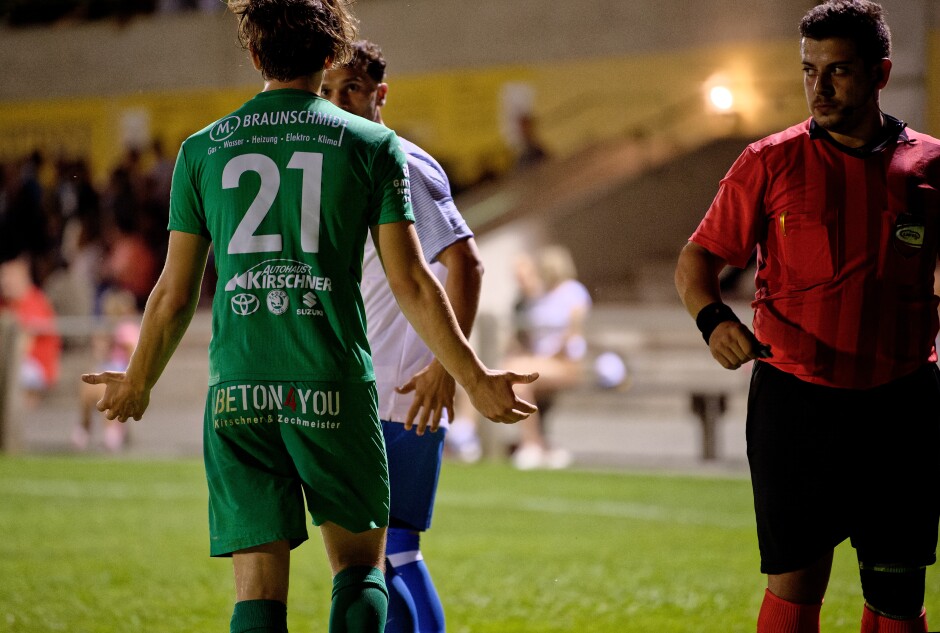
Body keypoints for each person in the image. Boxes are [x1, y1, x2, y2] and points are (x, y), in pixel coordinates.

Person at [80, 2, 538, 633]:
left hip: (238, 390)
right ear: (328, 58)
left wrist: (137, 381)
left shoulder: (201, 150)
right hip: (333, 386)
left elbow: (173, 293)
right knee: (361, 571)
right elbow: (412, 282)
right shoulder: (374, 145)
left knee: (257, 591)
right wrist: (475, 375)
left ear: (254, 55)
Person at [674, 2, 940, 632]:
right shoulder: (769, 161)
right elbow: (699, 257)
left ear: (881, 73)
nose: (819, 87)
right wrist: (714, 319)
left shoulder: (929, 167)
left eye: (838, 70)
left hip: (902, 401)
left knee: (897, 598)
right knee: (795, 591)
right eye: (809, 70)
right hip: (799, 402)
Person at [321, 40, 484, 633]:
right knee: (396, 553)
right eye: (328, 91)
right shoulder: (353, 160)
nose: (338, 103)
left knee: (377, 559)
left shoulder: (401, 163)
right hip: (378, 385)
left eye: (352, 90)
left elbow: (467, 264)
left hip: (396, 388)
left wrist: (449, 367)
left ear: (380, 94)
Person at [504, 245, 591, 470]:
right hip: (543, 362)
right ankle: (539, 445)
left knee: (518, 375)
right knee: (517, 379)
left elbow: (572, 333)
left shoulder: (573, 291)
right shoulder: (542, 297)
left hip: (565, 362)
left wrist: (541, 358)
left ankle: (532, 444)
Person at [73, 288, 140, 452]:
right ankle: (84, 427)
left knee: (105, 390)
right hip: (109, 367)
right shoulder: (110, 328)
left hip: (122, 371)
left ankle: (112, 430)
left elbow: (133, 355)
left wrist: (116, 342)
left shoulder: (128, 329)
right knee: (87, 388)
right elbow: (101, 355)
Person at [0, 253, 61, 409]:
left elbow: (22, 348)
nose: (4, 282)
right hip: (11, 362)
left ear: (23, 277)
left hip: (36, 366)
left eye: (9, 277)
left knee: (14, 373)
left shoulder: (35, 302)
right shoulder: (5, 304)